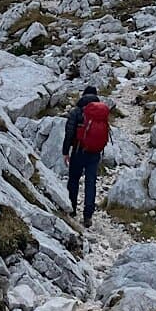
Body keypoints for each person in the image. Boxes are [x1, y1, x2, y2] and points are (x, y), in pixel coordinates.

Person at [62, 84, 111, 225]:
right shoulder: (101, 113)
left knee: (74, 180)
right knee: (91, 183)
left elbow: (69, 133)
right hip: (95, 153)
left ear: (83, 95)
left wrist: (66, 152)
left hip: (78, 151)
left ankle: (72, 208)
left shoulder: (76, 112)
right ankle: (88, 216)